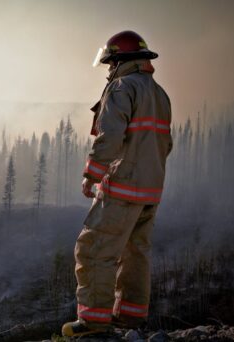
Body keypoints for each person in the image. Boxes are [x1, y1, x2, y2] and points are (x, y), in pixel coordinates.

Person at [62, 30, 173, 337]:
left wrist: (92, 174)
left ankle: (94, 323)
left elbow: (111, 137)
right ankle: (130, 318)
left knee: (93, 249)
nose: (109, 69)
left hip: (123, 187)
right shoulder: (159, 93)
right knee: (135, 252)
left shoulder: (122, 87)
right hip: (151, 191)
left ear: (121, 60)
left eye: (111, 63)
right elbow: (166, 144)